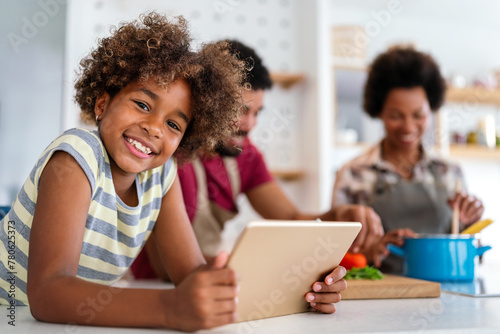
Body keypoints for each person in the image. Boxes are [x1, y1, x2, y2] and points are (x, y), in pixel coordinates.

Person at [0, 13, 349, 330]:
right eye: (142, 104)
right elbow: (47, 293)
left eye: (173, 124)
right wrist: (170, 308)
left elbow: (192, 274)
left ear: (186, 138)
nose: (154, 128)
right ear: (103, 103)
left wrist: (300, 287)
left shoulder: (161, 176)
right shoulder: (77, 157)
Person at [131, 39, 384, 280]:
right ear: (206, 101)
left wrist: (338, 216)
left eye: (257, 112)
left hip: (207, 280)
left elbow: (292, 221)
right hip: (146, 288)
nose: (249, 124)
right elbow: (164, 267)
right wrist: (250, 268)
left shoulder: (245, 155)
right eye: (240, 110)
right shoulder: (167, 153)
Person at [331, 46, 484, 272]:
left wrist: (471, 224)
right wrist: (370, 252)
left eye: (418, 115)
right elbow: (333, 255)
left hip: (446, 294)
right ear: (379, 111)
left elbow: (470, 252)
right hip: (379, 299)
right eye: (395, 116)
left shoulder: (450, 172)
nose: (408, 126)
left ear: (431, 110)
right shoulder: (354, 174)